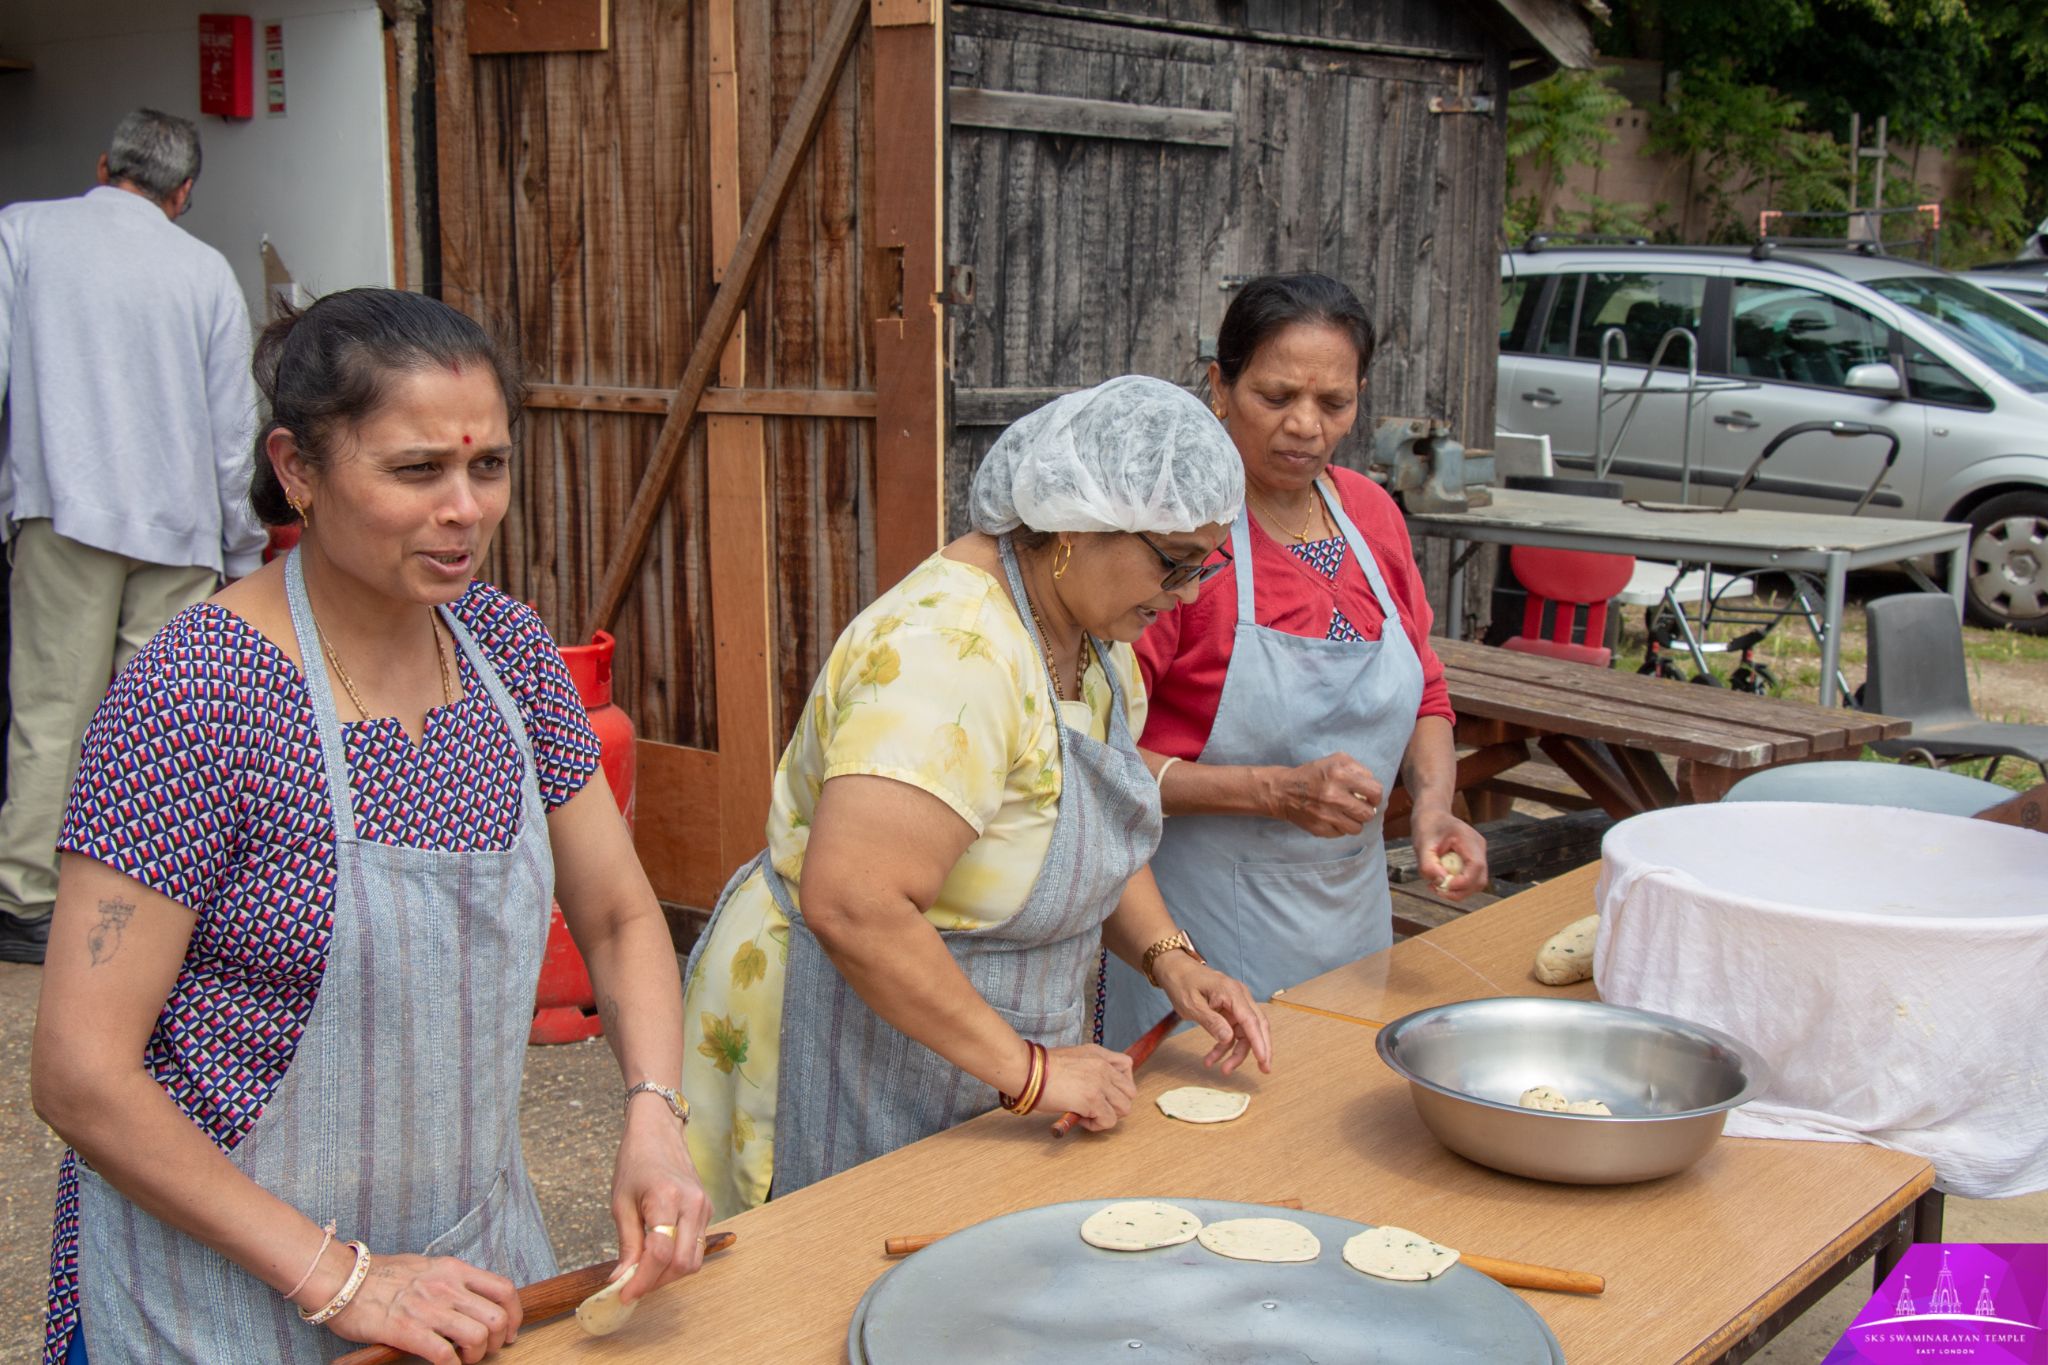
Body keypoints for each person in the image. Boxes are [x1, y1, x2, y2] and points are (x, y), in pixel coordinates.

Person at [30, 289, 709, 1365]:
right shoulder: (194, 695)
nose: (466, 509)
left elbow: (623, 918)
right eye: (414, 471)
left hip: (466, 1272)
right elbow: (80, 1072)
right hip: (217, 1295)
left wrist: (654, 1112)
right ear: (298, 469)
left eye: (485, 467)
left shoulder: (508, 656)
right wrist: (338, 1278)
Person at [681, 376, 1274, 1220]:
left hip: (981, 1051)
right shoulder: (950, 654)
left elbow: (1090, 830)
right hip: (847, 1033)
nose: (1184, 594)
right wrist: (1030, 1070)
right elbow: (855, 902)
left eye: (1203, 567)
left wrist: (1171, 956)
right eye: (1174, 562)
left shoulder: (1097, 642)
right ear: (1075, 519)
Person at [1104, 274, 1489, 1047]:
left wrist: (1437, 805)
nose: (1305, 426)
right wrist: (1273, 791)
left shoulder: (1372, 515)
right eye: (1276, 397)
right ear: (1220, 384)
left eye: (1334, 403)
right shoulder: (1178, 540)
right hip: (1201, 933)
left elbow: (1424, 692)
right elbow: (1098, 760)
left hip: (1353, 922)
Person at [0, 108, 269, 965]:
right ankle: (151, 904)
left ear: (101, 162)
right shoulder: (205, 273)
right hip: (181, 526)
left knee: (53, 709)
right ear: (183, 193)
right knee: (163, 726)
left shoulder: (24, 233)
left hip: (64, 507)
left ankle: (27, 899)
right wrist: (240, 549)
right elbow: (236, 432)